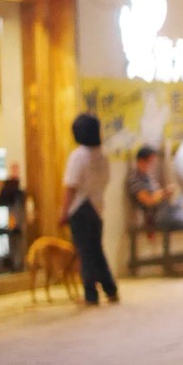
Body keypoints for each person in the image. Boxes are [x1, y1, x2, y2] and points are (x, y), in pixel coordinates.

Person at [59, 113, 119, 305]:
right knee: (96, 250)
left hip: (80, 208)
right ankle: (110, 289)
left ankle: (90, 294)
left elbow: (71, 187)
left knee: (85, 252)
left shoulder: (78, 156)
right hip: (98, 205)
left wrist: (64, 212)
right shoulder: (103, 154)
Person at [127, 146, 183, 239]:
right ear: (142, 161)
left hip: (166, 209)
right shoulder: (136, 180)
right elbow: (149, 200)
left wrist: (166, 193)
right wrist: (164, 192)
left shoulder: (147, 177)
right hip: (159, 215)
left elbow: (156, 195)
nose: (152, 165)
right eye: (150, 162)